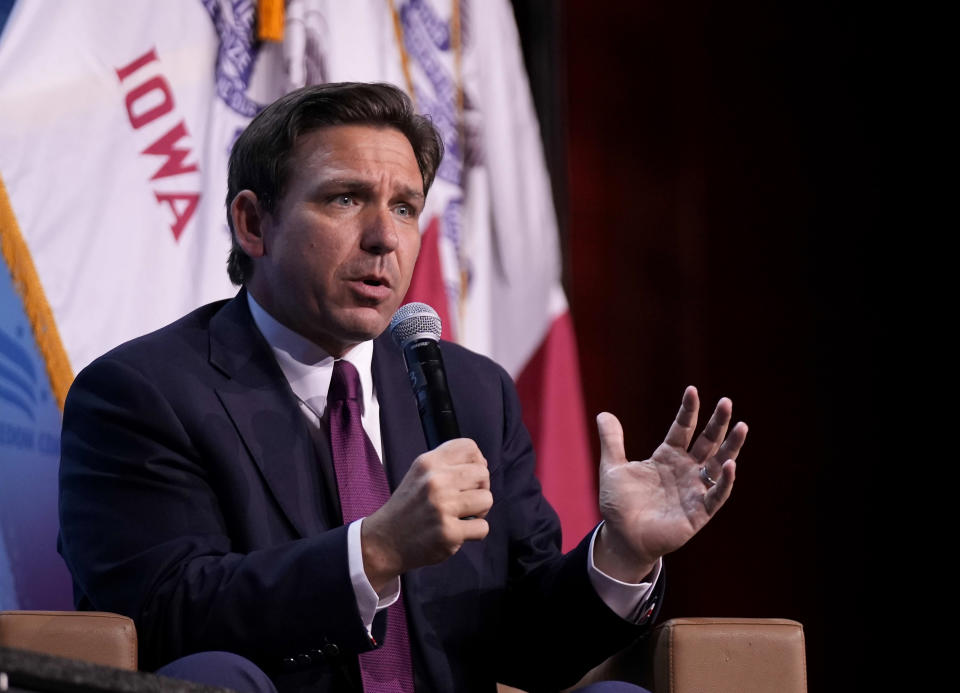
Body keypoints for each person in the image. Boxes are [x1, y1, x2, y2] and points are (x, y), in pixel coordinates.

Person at [57, 83, 747, 693]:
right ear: (253, 222)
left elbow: (531, 649)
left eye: (407, 206)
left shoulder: (473, 392)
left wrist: (622, 551)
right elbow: (166, 619)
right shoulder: (142, 393)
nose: (385, 237)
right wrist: (375, 550)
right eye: (345, 198)